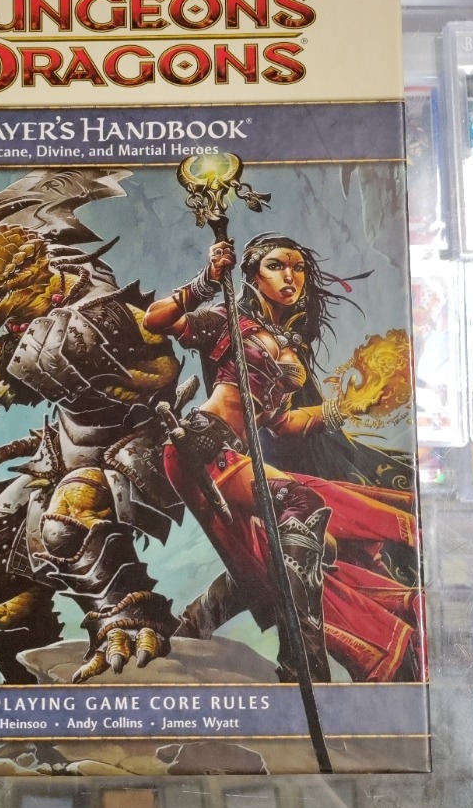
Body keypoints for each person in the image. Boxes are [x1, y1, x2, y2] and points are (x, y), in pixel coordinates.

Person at [143, 232, 424, 683]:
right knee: (302, 504)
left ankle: (209, 631)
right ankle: (301, 656)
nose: (290, 275)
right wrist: (207, 279)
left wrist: (345, 407)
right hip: (202, 443)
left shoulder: (290, 346)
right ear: (253, 275)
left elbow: (284, 422)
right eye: (276, 266)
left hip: (233, 453)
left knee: (277, 547)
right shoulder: (227, 320)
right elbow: (157, 320)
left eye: (297, 268)